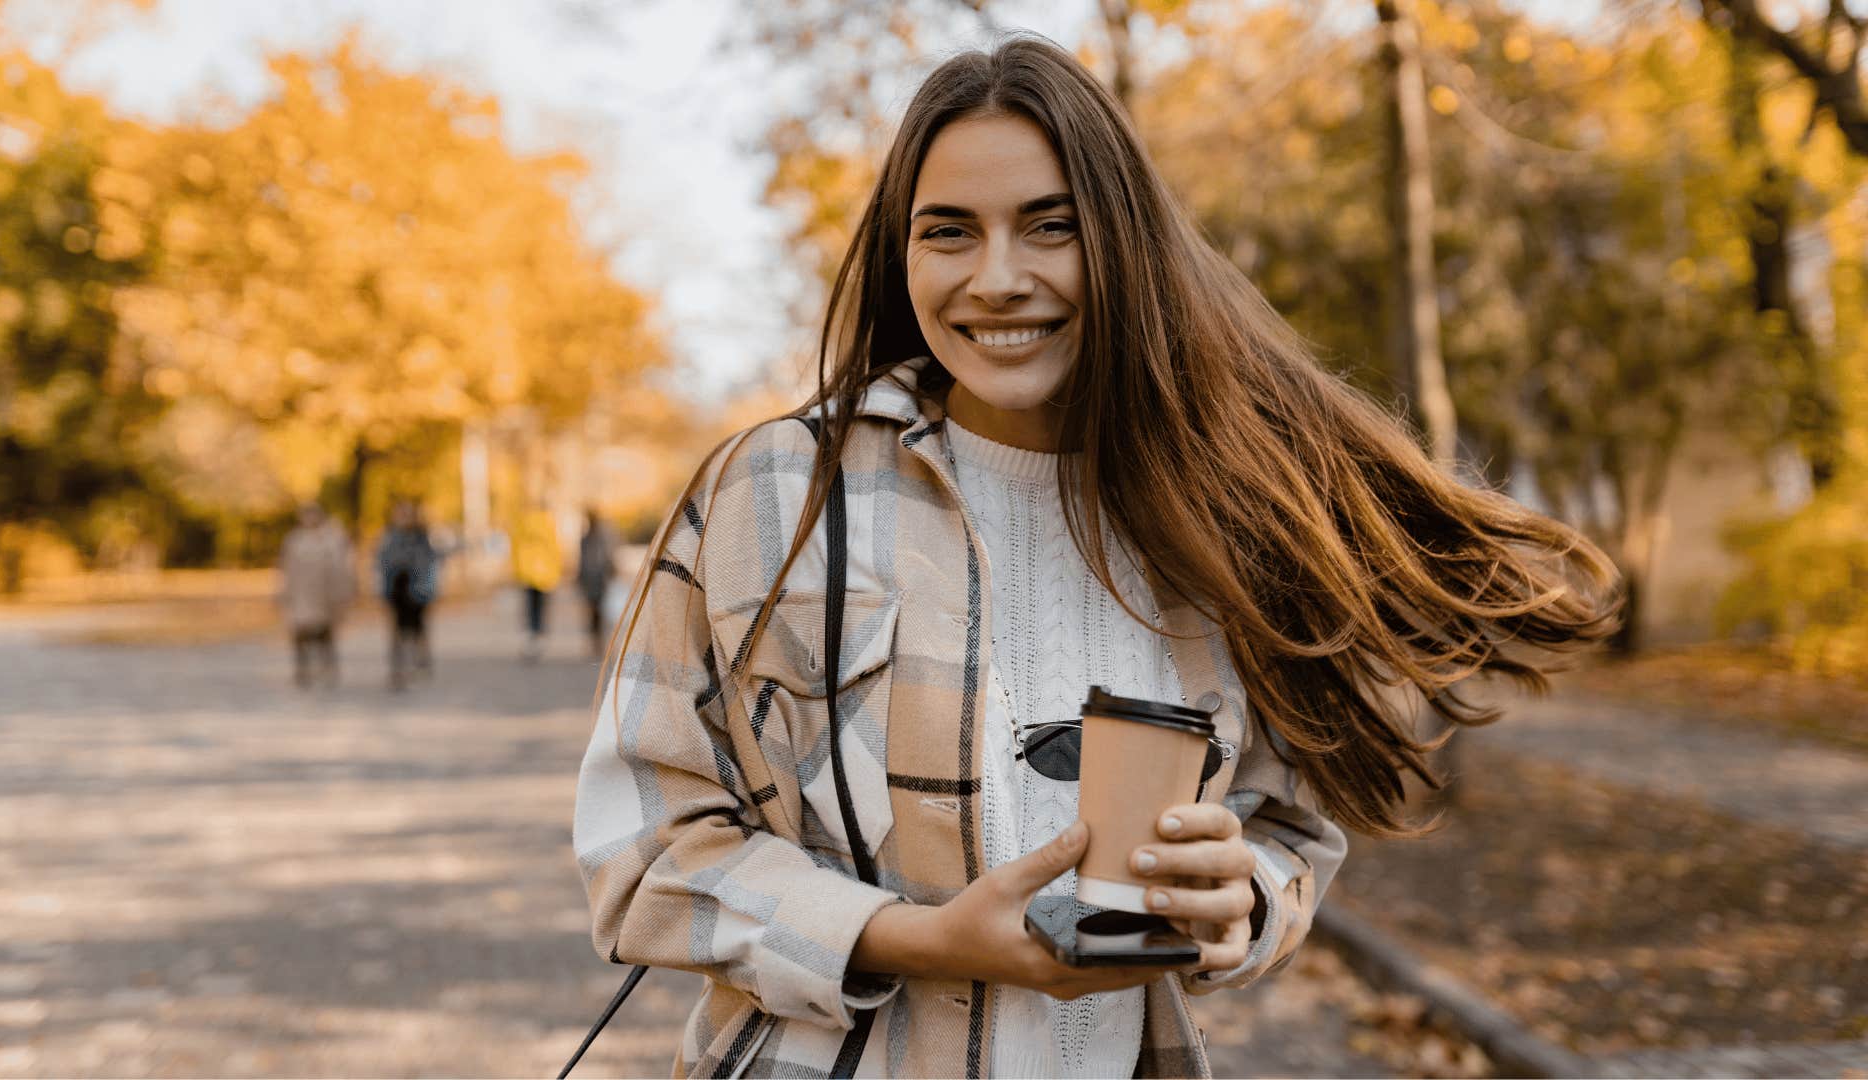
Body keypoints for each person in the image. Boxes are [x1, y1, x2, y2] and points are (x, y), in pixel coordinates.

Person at [573, 36, 1619, 1078]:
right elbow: (646, 850)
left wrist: (1237, 897)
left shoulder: (1224, 506)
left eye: (1049, 227)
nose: (998, 279)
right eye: (949, 233)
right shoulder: (772, 494)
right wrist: (915, 937)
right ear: (904, 255)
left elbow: (1288, 830)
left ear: (1122, 242)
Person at [277, 502, 356, 688]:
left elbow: (340, 570)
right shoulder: (294, 540)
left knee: (324, 634)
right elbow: (286, 569)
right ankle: (302, 669)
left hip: (324, 595)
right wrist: (284, 593)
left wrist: (341, 595)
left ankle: (327, 667)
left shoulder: (331, 540)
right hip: (301, 594)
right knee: (300, 634)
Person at [376, 500, 439, 691]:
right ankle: (399, 666)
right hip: (396, 589)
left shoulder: (422, 539)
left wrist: (428, 589)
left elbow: (429, 565)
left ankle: (419, 661)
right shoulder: (389, 538)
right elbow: (382, 564)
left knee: (417, 628)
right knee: (397, 630)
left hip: (417, 589)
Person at [511, 499, 564, 662]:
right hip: (545, 575)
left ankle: (530, 639)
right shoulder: (548, 524)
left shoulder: (522, 524)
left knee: (530, 608)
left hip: (527, 573)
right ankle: (539, 639)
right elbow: (555, 550)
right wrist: (556, 572)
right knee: (541, 609)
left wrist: (518, 571)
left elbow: (515, 549)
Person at [575, 508, 617, 656]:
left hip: (599, 578)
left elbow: (608, 556)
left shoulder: (601, 538)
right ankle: (594, 641)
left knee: (599, 611)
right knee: (592, 611)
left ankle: (599, 641)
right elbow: (582, 559)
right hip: (590, 578)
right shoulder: (585, 538)